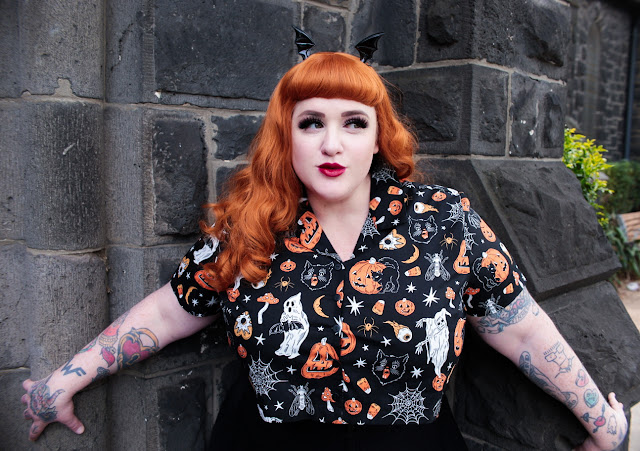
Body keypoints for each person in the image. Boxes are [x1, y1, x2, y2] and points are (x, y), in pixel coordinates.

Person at [21, 45, 627, 450]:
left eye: (354, 122)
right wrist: (64, 382)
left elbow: (520, 328)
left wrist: (602, 422)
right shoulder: (250, 226)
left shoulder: (444, 220)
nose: (332, 143)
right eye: (311, 122)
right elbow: (165, 312)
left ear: (378, 137)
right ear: (286, 137)